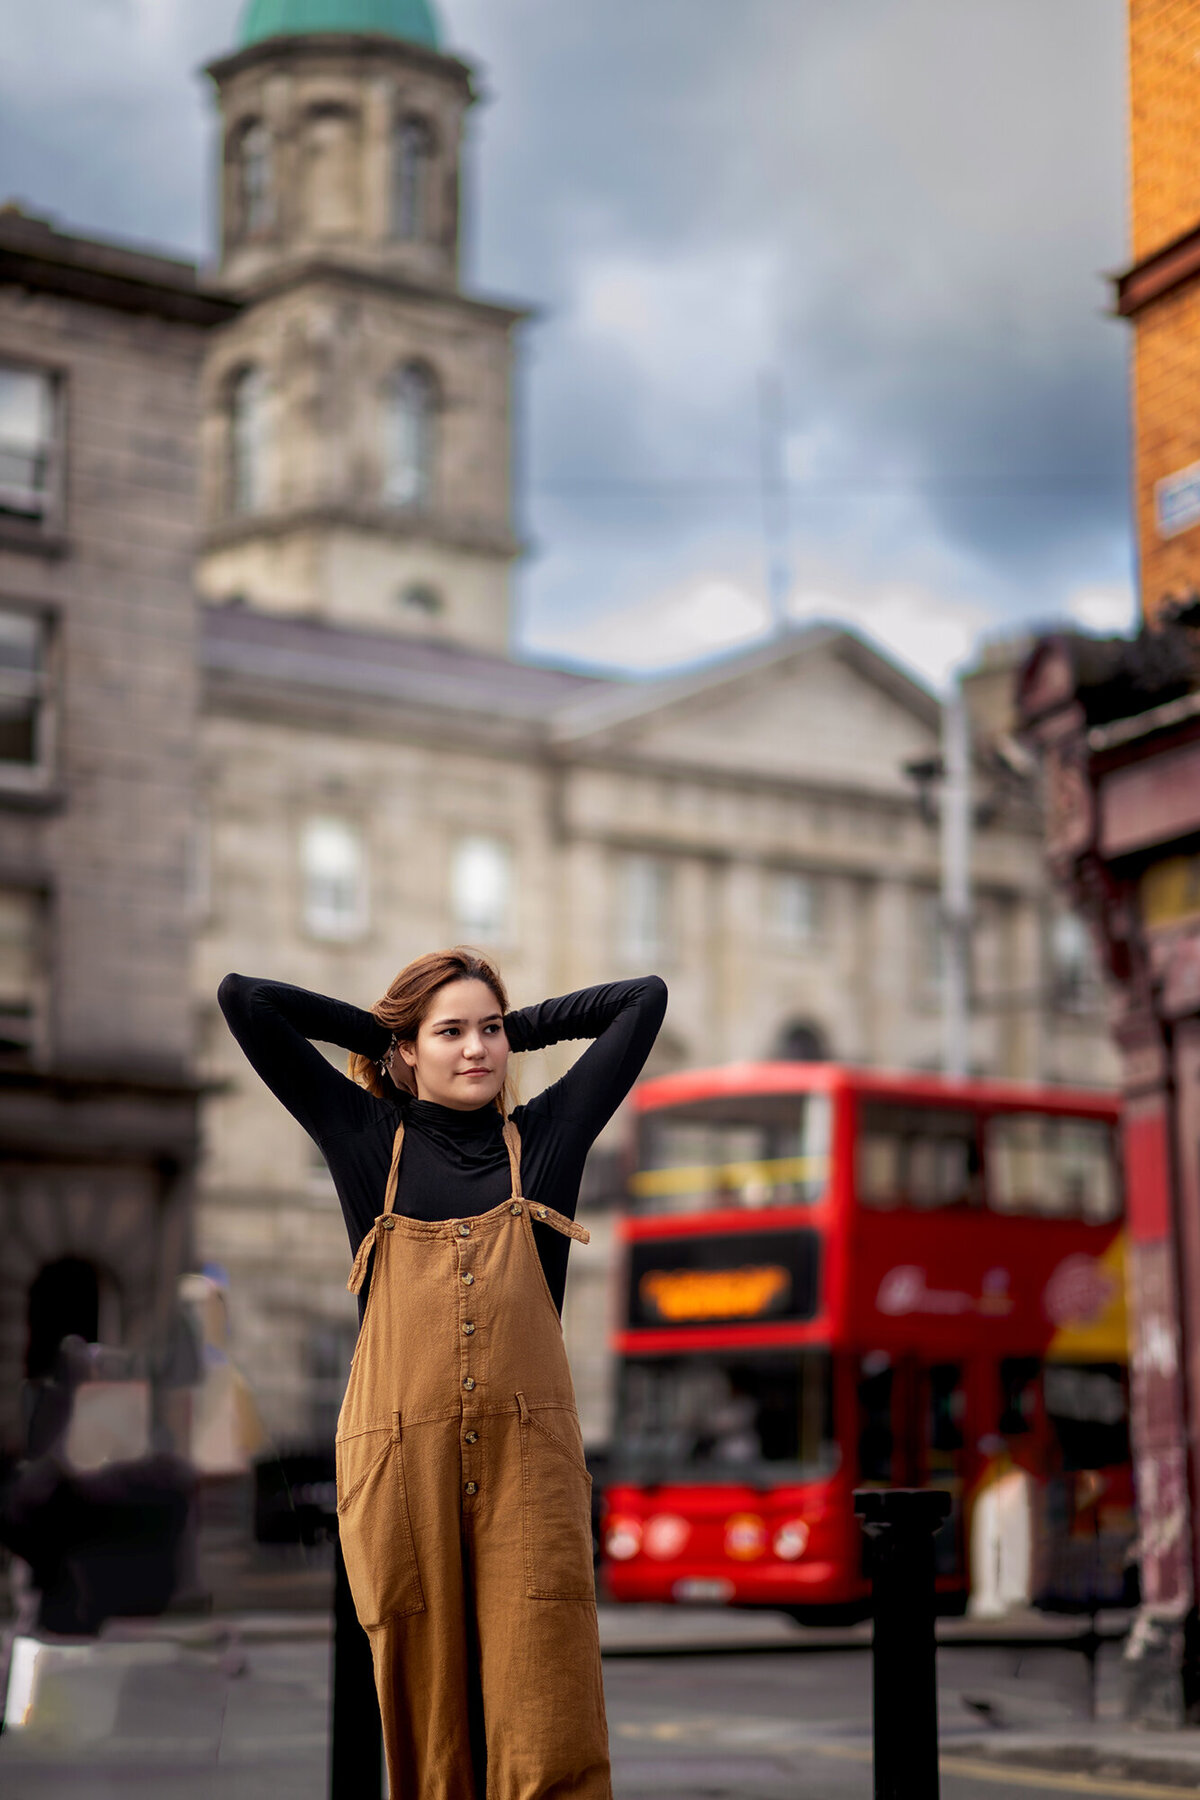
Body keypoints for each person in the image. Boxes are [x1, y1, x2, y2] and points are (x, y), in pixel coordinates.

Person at [218, 952, 666, 1800]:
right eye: (451, 1033)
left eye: (490, 1031)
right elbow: (248, 1000)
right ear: (410, 1050)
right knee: (429, 1739)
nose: (476, 1049)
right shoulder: (363, 1140)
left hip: (526, 1475)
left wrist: (521, 1024)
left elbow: (643, 1001)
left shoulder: (547, 1138)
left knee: (548, 1719)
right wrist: (391, 1033)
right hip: (399, 1471)